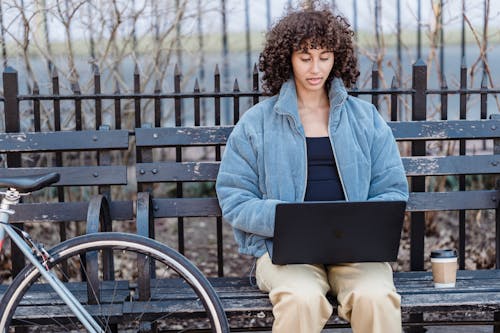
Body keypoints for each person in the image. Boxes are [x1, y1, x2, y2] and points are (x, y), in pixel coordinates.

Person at [215, 2, 409, 333]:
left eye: (324, 56)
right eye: (305, 57)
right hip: (284, 255)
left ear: (337, 58)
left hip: (357, 252)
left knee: (376, 296)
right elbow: (233, 196)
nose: (315, 67)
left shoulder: (365, 119)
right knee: (301, 298)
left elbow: (393, 189)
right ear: (287, 59)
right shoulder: (257, 123)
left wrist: (361, 222)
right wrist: (284, 218)